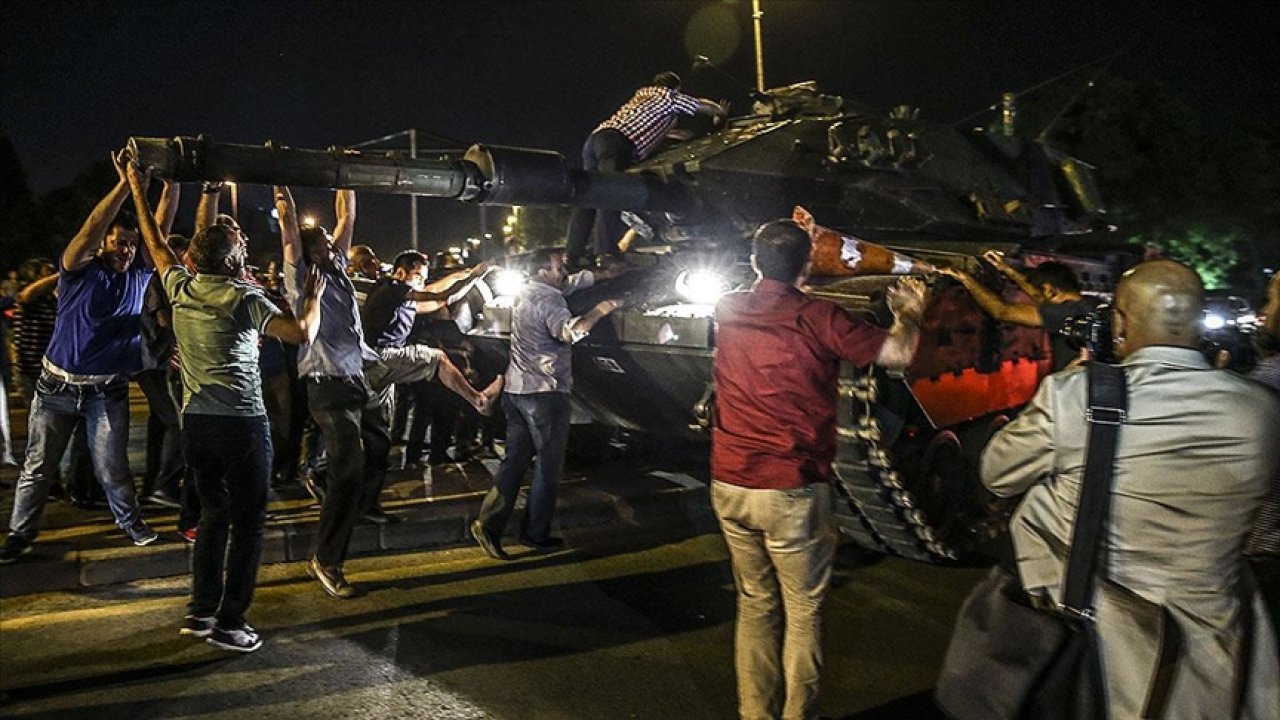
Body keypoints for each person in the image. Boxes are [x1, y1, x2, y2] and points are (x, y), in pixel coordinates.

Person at [981, 260, 1280, 718]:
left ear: (1119, 323)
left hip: (1097, 636)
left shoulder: (1078, 396)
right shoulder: (1263, 411)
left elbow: (997, 474)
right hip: (1217, 630)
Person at [710, 220, 925, 720]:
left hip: (729, 482)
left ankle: (755, 715)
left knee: (756, 604)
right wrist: (908, 313)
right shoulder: (818, 317)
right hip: (789, 485)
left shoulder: (728, 308)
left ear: (755, 263)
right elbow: (900, 352)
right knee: (803, 613)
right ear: (808, 264)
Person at [127, 161, 324, 653]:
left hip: (197, 423)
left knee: (214, 514)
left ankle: (199, 612)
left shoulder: (181, 286)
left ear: (192, 259)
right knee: (250, 522)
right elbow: (300, 335)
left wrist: (136, 185)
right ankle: (232, 621)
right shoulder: (245, 297)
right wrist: (314, 300)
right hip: (241, 422)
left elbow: (154, 239)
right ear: (237, 263)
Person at [275, 187, 496, 598]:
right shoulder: (302, 276)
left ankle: (343, 503)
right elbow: (289, 231)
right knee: (349, 469)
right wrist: (281, 190)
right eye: (324, 243)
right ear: (312, 252)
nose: (333, 245)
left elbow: (347, 218)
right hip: (327, 385)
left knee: (375, 449)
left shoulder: (338, 272)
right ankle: (326, 559)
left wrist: (345, 178)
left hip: (359, 377)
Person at [0, 150, 168, 564]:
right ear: (103, 245)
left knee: (113, 468)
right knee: (38, 468)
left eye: (131, 244)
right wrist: (125, 186)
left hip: (106, 391)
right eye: (118, 242)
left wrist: (169, 186)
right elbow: (92, 226)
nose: (127, 250)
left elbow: (158, 230)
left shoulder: (138, 276)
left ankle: (131, 523)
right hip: (56, 387)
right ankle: (20, 534)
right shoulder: (79, 271)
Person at [470, 248, 624, 559]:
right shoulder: (550, 299)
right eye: (558, 267)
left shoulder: (528, 291)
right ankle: (535, 533)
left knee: (514, 462)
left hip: (517, 391)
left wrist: (604, 275)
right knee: (548, 467)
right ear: (542, 271)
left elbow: (571, 283)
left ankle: (488, 524)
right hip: (545, 394)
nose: (564, 271)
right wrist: (602, 309)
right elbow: (570, 331)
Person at [357, 249, 496, 520]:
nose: (421, 282)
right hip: (380, 360)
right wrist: (475, 276)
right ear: (401, 272)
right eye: (417, 276)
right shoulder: (392, 289)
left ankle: (359, 499)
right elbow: (438, 297)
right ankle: (478, 400)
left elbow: (434, 293)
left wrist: (464, 274)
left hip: (375, 368)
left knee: (377, 440)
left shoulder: (399, 293)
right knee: (438, 359)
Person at [565, 71, 725, 267]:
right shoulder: (666, 95)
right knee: (610, 193)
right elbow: (701, 105)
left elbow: (673, 133)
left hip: (596, 140)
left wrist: (688, 135)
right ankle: (605, 252)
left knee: (588, 196)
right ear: (675, 88)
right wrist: (719, 112)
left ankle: (572, 254)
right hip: (616, 143)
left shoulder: (644, 99)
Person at [940, 253, 1097, 372]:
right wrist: (1006, 269)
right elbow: (1040, 296)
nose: (1035, 298)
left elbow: (1002, 311)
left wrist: (965, 278)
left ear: (1050, 290)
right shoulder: (1088, 306)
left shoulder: (1066, 314)